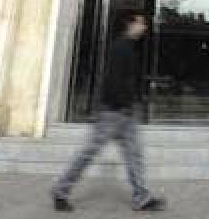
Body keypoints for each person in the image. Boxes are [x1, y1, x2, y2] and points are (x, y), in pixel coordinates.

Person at [51, 13, 166, 212]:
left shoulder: (128, 47)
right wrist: (121, 104)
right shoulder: (120, 48)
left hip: (125, 112)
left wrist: (132, 102)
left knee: (134, 154)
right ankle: (60, 190)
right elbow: (113, 80)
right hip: (112, 112)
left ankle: (141, 197)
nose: (144, 27)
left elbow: (126, 80)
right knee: (89, 153)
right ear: (130, 24)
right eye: (140, 23)